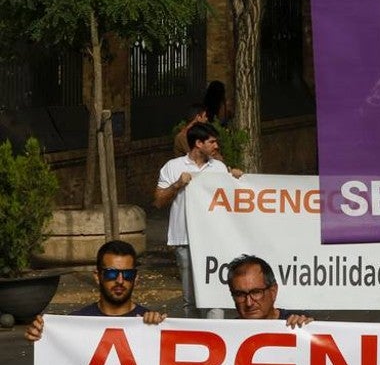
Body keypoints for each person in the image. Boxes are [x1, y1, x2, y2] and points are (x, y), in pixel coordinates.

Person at [153, 122, 242, 317]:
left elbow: (233, 197)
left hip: (214, 242)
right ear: (198, 143)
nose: (216, 146)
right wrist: (177, 184)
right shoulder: (173, 167)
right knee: (190, 299)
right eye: (212, 142)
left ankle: (215, 337)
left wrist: (236, 179)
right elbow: (159, 201)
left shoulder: (219, 168)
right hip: (184, 240)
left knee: (215, 297)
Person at [24, 241, 165, 342]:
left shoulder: (149, 322)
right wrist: (41, 335)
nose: (120, 281)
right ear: (97, 277)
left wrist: (160, 329)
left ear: (136, 278)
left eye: (127, 274)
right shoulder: (75, 322)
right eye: (111, 273)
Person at [226, 255, 313, 326]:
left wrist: (310, 330)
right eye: (240, 294)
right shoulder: (227, 331)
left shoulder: (299, 321)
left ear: (273, 291)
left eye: (256, 292)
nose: (249, 303)